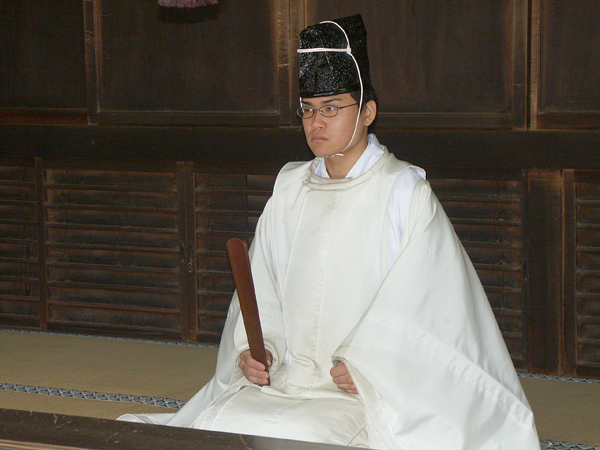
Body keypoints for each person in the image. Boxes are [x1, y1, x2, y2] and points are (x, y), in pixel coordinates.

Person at [120, 14, 541, 450]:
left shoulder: (403, 192)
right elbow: (262, 289)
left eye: (331, 108)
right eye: (307, 110)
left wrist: (368, 365)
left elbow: (433, 307)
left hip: (355, 392)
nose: (315, 123)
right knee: (219, 426)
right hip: (284, 381)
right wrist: (257, 351)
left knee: (303, 437)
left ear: (367, 112)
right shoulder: (290, 187)